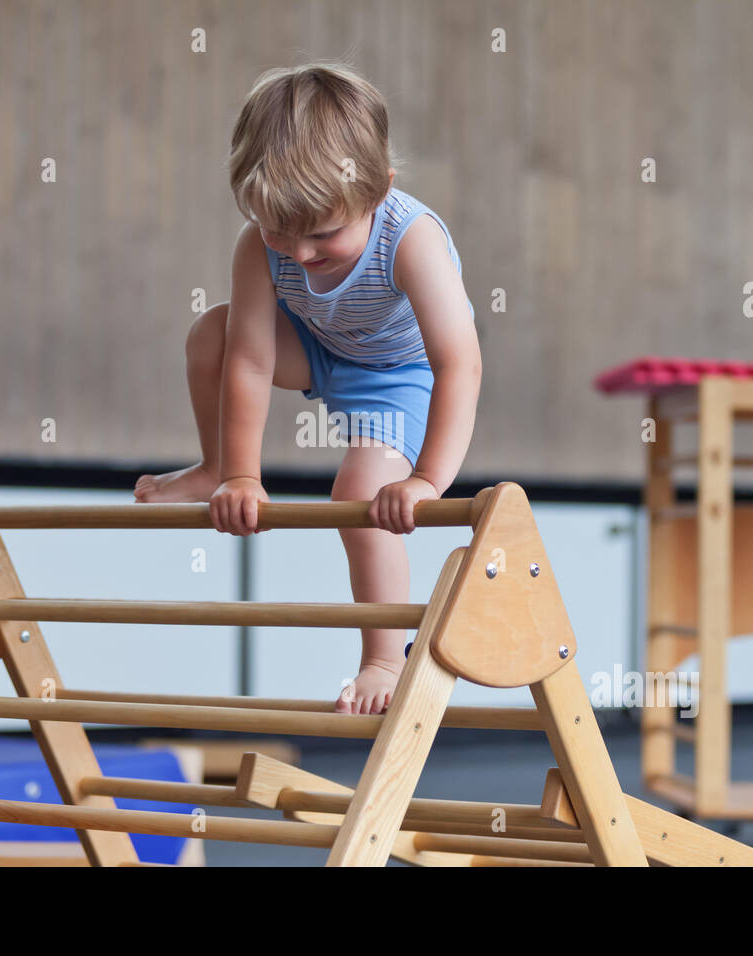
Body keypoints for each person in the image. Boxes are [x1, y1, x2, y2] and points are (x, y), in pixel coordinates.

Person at [136, 62, 480, 715]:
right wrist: (241, 474)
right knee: (212, 334)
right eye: (277, 232)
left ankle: (384, 656)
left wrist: (428, 480)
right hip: (321, 350)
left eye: (324, 235)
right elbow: (248, 361)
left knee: (360, 493)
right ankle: (211, 465)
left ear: (380, 192)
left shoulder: (411, 240)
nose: (299, 255)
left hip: (398, 379)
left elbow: (459, 364)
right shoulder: (259, 248)